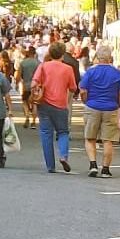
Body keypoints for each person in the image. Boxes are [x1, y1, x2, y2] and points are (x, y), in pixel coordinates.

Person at [79, 46, 120, 177]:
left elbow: (83, 90)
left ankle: (93, 165)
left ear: (97, 58)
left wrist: (86, 101)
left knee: (90, 138)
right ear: (110, 58)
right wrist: (117, 104)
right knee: (108, 140)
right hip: (110, 108)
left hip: (92, 106)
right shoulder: (117, 73)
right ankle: (105, 169)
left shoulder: (90, 72)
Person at [31, 43, 79, 174]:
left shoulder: (43, 66)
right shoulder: (68, 69)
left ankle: (50, 166)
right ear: (63, 54)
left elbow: (34, 83)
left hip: (44, 103)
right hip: (60, 104)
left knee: (46, 134)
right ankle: (63, 156)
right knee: (63, 132)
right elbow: (73, 88)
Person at [18, 45, 41, 129]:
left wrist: (17, 82)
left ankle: (27, 116)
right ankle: (34, 122)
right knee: (34, 103)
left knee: (25, 101)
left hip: (26, 85)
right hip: (36, 86)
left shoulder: (23, 63)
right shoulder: (38, 63)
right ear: (34, 53)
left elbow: (19, 75)